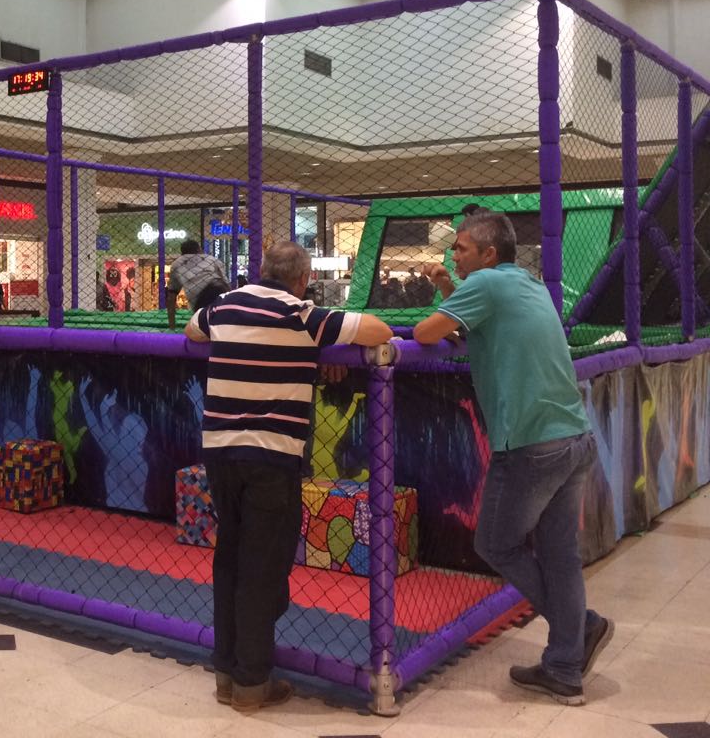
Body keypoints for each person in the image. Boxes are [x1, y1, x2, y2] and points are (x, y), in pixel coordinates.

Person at [413, 210, 612, 706]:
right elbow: (471, 328)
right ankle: (565, 666)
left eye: (460, 249)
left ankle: (579, 628)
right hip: (574, 437)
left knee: (497, 544)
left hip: (530, 445)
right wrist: (447, 287)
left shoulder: (485, 285)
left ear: (488, 255)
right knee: (560, 555)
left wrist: (447, 293)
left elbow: (424, 334)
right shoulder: (523, 283)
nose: (452, 256)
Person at [185, 242, 392, 712]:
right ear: (301, 280)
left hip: (220, 452)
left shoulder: (225, 303)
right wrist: (329, 344)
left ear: (261, 271)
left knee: (231, 559)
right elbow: (377, 328)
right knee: (262, 568)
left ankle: (226, 672)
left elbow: (192, 330)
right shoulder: (302, 313)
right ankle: (251, 683)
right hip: (271, 458)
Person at [165, 240, 228, 330]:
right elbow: (226, 282)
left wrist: (172, 325)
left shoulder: (177, 263)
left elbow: (171, 296)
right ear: (199, 249)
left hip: (200, 297)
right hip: (220, 289)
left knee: (206, 328)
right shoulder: (211, 259)